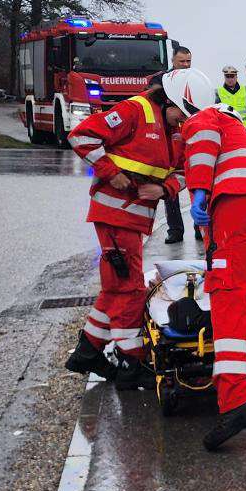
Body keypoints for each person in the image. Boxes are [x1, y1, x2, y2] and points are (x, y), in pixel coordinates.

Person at [161, 70, 246, 451]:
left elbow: (200, 144)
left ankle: (235, 400)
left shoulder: (203, 118)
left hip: (237, 205)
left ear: (181, 102)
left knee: (228, 293)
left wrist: (199, 193)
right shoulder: (239, 128)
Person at [62, 81, 190, 388]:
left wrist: (164, 188)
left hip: (135, 218)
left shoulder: (175, 129)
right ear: (167, 100)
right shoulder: (134, 110)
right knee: (130, 288)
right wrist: (110, 172)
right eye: (180, 113)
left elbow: (184, 172)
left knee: (115, 287)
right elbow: (80, 135)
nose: (183, 121)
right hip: (114, 213)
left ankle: (88, 351)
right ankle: (131, 361)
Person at [147, 46, 195, 244]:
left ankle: (201, 227)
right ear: (173, 61)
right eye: (182, 61)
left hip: (191, 132)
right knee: (171, 180)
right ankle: (175, 230)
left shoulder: (195, 80)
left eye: (188, 61)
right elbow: (152, 102)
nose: (185, 65)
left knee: (196, 180)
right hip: (169, 135)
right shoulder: (160, 80)